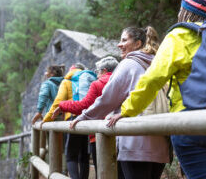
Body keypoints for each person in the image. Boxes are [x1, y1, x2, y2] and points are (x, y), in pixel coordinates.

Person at [119, 0, 206, 178]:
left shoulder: (180, 35)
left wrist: (126, 111)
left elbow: (152, 79)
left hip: (191, 127)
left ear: (188, 11)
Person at [71, 26, 170, 179]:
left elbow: (107, 99)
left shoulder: (128, 64)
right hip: (161, 141)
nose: (119, 44)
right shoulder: (158, 64)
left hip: (135, 143)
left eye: (124, 40)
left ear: (137, 44)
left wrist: (84, 117)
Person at [52, 56, 119, 178]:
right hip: (122, 134)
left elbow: (84, 105)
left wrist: (62, 105)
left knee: (101, 171)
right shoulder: (122, 81)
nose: (97, 75)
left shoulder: (97, 84)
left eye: (98, 72)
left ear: (104, 70)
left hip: (98, 134)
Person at [42, 63, 91, 179]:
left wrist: (47, 118)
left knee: (71, 155)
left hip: (73, 118)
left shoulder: (67, 81)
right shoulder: (88, 80)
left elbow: (58, 102)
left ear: (71, 70)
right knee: (84, 154)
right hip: (87, 118)